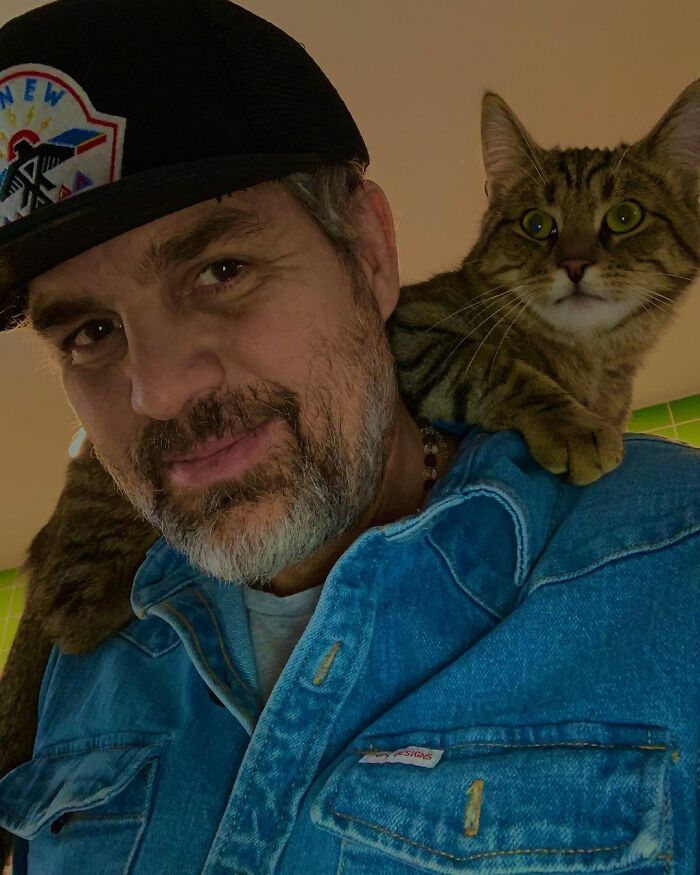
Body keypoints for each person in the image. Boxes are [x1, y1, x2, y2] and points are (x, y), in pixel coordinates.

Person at [0, 0, 698, 872]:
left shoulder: (678, 564)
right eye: (89, 334)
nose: (158, 389)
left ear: (370, 253)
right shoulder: (86, 671)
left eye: (221, 270)